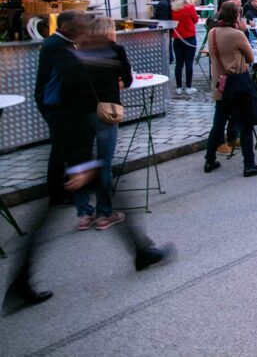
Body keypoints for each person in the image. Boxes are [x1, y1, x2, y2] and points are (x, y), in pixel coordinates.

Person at [4, 16, 171, 314]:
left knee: (105, 193)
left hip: (75, 147)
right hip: (75, 149)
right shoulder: (73, 61)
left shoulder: (76, 57)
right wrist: (79, 161)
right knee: (49, 214)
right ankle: (21, 280)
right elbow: (69, 111)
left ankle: (141, 250)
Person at [70, 17, 133, 232]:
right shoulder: (115, 49)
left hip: (80, 112)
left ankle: (84, 214)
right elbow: (128, 78)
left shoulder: (79, 50)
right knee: (103, 163)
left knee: (81, 163)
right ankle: (105, 214)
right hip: (105, 110)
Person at [203, 1, 257, 177]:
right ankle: (249, 164)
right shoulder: (237, 34)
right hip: (238, 83)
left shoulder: (212, 32)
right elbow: (250, 57)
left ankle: (209, 159)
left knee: (218, 124)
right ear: (236, 16)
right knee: (246, 124)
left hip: (220, 83)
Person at [34, 10, 84, 207]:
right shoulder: (56, 45)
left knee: (66, 146)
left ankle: (68, 187)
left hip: (62, 103)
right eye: (78, 26)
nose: (81, 29)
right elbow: (76, 69)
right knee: (60, 149)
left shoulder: (63, 42)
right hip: (54, 103)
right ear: (65, 27)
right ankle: (57, 194)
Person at [171, 0, 199, 95]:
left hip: (177, 38)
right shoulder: (189, 7)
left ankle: (178, 87)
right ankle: (188, 87)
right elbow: (195, 20)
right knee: (189, 63)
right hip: (189, 37)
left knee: (179, 63)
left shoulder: (173, 8)